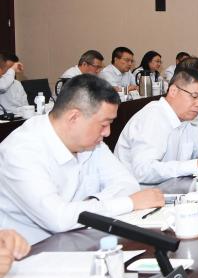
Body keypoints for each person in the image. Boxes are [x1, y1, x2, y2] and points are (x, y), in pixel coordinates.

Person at [0, 75, 163, 245]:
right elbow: (58, 218)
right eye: (104, 124)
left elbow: (128, 184)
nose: (107, 132)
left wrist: (89, 204)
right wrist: (129, 203)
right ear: (74, 118)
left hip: (79, 239)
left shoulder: (90, 142)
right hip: (33, 252)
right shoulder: (21, 151)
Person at [114, 69, 198, 184]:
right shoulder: (153, 116)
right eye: (194, 96)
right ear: (173, 91)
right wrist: (194, 165)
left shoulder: (185, 118)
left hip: (171, 187)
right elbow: (143, 171)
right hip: (138, 190)